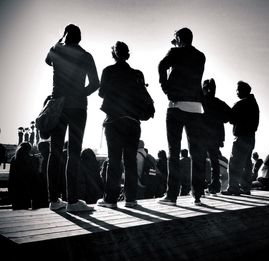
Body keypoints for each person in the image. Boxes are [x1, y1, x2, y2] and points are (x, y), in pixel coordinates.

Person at [45, 24, 99, 212]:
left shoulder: (55, 50)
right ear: (80, 38)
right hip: (77, 107)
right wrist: (79, 93)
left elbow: (47, 61)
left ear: (65, 36)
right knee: (74, 153)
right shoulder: (86, 56)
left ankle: (53, 200)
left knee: (55, 152)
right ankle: (73, 201)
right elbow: (95, 84)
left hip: (58, 106)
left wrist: (60, 41)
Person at [157, 27, 206, 206]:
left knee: (173, 151)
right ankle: (197, 195)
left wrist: (166, 88)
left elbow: (162, 66)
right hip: (195, 107)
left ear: (178, 38)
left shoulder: (175, 52)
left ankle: (171, 195)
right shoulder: (201, 56)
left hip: (177, 106)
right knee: (196, 153)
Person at [97, 41, 149, 208]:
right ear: (128, 54)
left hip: (114, 120)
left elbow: (101, 93)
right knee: (130, 161)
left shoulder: (108, 71)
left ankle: (111, 199)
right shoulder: (137, 74)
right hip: (133, 122)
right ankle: (131, 199)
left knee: (114, 160)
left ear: (114, 54)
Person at [222, 81, 259, 196]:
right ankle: (246, 188)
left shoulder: (241, 104)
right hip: (251, 138)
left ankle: (233, 187)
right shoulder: (254, 104)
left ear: (243, 90)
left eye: (237, 90)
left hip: (241, 137)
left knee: (234, 163)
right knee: (247, 164)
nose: (236, 92)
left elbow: (230, 119)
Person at [202, 78, 231, 194]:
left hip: (202, 135)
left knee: (200, 160)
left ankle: (200, 184)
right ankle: (215, 185)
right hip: (215, 136)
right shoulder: (219, 103)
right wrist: (219, 118)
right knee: (214, 161)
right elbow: (229, 116)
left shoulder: (201, 101)